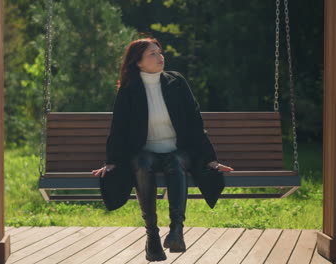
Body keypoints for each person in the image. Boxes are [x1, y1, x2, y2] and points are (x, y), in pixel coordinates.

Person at [92, 38, 233, 262]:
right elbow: (118, 128)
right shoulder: (129, 90)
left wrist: (210, 159)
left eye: (160, 52)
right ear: (138, 62)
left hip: (179, 151)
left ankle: (176, 230)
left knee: (175, 162)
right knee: (141, 163)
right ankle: (153, 237)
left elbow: (195, 122)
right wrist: (111, 162)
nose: (160, 57)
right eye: (152, 54)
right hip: (146, 152)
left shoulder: (176, 82)